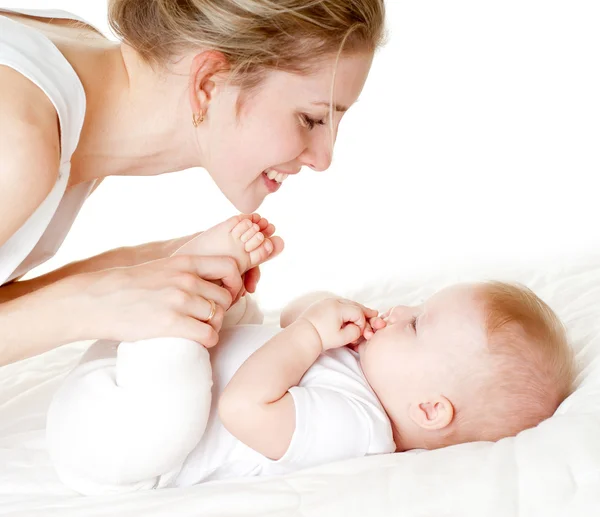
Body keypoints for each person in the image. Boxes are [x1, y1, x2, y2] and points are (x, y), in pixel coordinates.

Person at [46, 212, 575, 494]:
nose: (397, 313)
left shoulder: (360, 429)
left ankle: (181, 287)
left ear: (430, 411)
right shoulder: (361, 369)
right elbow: (289, 321)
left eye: (415, 325)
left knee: (182, 373)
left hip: (114, 447)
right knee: (245, 316)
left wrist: (310, 339)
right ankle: (184, 298)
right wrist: (322, 314)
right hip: (121, 386)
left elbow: (245, 407)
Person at [0, 0, 386, 366]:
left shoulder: (76, 70)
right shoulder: (18, 144)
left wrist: (157, 264)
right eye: (311, 118)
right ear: (209, 84)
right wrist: (88, 304)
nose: (323, 159)